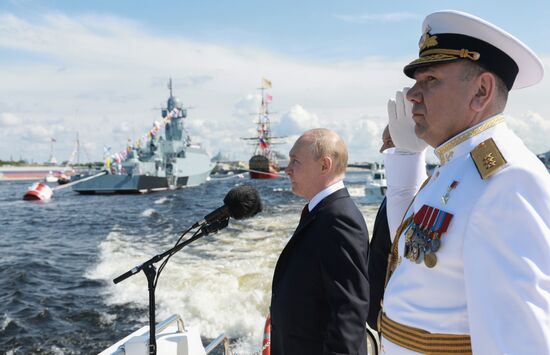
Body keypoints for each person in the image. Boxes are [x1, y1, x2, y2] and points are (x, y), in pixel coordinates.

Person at [380, 10, 550, 354]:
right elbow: (414, 252)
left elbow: (520, 343)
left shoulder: (508, 180)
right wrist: (406, 156)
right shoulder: (457, 166)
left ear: (481, 91)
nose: (412, 94)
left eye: (430, 80)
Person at [270, 128, 370, 355]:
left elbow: (349, 309)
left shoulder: (338, 219)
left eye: (295, 161)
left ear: (324, 165)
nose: (287, 170)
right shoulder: (324, 213)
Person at [366, 125, 394, 330]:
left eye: (389, 142)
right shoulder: (392, 195)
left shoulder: (416, 194)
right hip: (379, 314)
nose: (382, 150)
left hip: (394, 315)